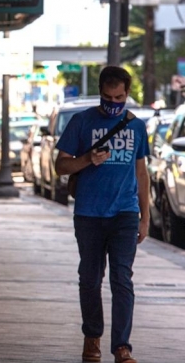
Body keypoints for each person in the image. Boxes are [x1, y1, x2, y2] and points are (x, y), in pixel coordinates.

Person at [54, 66, 149, 363]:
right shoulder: (81, 122)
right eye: (108, 96)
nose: (113, 102)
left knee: (122, 279)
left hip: (125, 213)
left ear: (127, 94)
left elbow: (141, 172)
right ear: (100, 93)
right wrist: (87, 159)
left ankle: (122, 347)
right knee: (90, 279)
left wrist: (145, 216)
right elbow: (60, 166)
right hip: (89, 214)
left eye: (119, 96)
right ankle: (92, 337)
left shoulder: (136, 126)